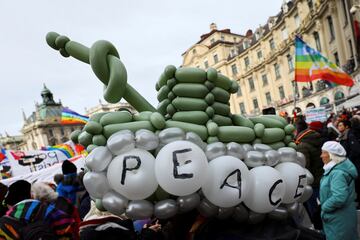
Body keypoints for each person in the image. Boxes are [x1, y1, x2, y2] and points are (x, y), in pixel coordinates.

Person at [319, 141, 358, 240]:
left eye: (324, 153)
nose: (321, 156)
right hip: (340, 217)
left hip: (339, 218)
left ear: (331, 155)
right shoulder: (336, 169)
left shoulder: (337, 173)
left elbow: (339, 197)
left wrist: (324, 207)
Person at [295, 121, 324, 227]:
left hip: (312, 181)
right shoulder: (317, 138)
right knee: (323, 203)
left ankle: (318, 227)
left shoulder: (302, 145)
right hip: (321, 176)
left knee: (313, 207)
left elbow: (305, 167)